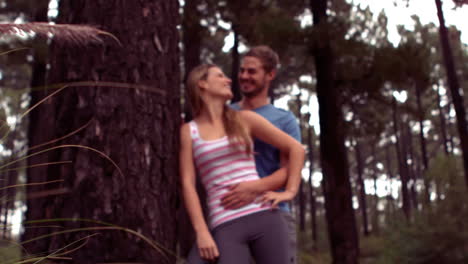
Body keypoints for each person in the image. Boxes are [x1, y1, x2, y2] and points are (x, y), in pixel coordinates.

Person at [180, 64, 305, 264]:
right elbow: (188, 184)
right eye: (220, 75)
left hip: (265, 216)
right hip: (224, 223)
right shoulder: (189, 131)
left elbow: (297, 149)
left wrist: (289, 192)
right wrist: (202, 231)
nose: (229, 80)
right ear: (202, 84)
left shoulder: (244, 119)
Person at [221, 45, 301, 264]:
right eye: (242, 71)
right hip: (230, 216)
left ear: (270, 75)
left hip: (274, 212)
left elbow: (289, 170)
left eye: (252, 71)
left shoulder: (284, 120)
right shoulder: (224, 115)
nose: (244, 76)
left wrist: (253, 188)